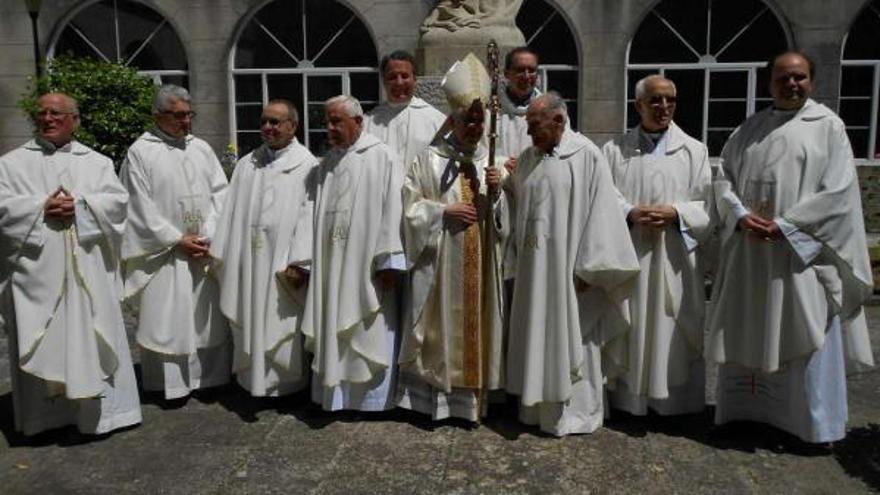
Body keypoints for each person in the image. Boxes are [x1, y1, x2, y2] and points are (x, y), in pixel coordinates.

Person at [708, 51, 874, 443]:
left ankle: (811, 424)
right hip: (752, 253)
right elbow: (722, 179)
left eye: (799, 77)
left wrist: (786, 226)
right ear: (770, 82)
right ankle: (748, 414)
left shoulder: (828, 128)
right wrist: (738, 215)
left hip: (800, 258)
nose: (791, 84)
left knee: (805, 328)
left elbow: (839, 193)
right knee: (749, 325)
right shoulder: (749, 129)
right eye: (783, 77)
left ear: (811, 81)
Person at [0, 93, 142, 435]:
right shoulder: (10, 164)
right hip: (39, 277)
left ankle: (103, 415)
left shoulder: (96, 162)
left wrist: (80, 206)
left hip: (87, 272)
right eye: (42, 114)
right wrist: (39, 207)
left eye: (56, 114)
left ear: (74, 121)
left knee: (93, 331)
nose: (47, 119)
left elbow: (118, 205)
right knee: (44, 333)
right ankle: (45, 419)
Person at [504, 92, 639, 436]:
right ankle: (535, 411)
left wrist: (592, 268)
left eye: (536, 126)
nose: (530, 133)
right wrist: (504, 183)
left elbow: (603, 213)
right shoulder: (528, 159)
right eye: (529, 126)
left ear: (559, 121)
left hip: (572, 274)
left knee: (575, 337)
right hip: (535, 272)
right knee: (538, 330)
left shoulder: (587, 156)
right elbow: (522, 201)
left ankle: (577, 414)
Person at [397, 53, 508, 421]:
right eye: (467, 120)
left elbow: (503, 220)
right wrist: (443, 212)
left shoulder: (490, 161)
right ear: (453, 120)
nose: (474, 127)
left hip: (479, 266)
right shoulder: (427, 160)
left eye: (479, 121)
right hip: (442, 265)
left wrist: (498, 192)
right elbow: (410, 209)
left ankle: (473, 403)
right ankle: (438, 403)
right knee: (439, 329)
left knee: (478, 327)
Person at [601, 75, 712, 416]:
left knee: (672, 322)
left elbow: (707, 203)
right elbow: (605, 196)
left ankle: (673, 405)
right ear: (639, 105)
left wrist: (676, 212)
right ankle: (629, 402)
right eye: (656, 100)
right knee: (631, 321)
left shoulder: (695, 151)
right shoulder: (614, 150)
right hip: (631, 250)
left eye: (670, 100)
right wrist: (629, 212)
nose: (664, 107)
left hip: (674, 256)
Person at [119, 85, 230, 400]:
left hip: (202, 250)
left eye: (189, 114)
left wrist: (207, 233)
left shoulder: (201, 149)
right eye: (179, 115)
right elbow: (136, 205)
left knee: (204, 316)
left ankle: (210, 378)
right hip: (165, 254)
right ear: (158, 116)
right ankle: (172, 384)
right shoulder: (141, 152)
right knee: (168, 317)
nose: (186, 122)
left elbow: (221, 194)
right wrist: (175, 239)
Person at [297, 95, 405, 411]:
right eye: (327, 122)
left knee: (368, 327)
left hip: (366, 264)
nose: (329, 128)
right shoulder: (327, 163)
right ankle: (335, 395)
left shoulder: (382, 157)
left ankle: (370, 401)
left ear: (358, 122)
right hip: (331, 262)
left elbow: (393, 209)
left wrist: (388, 261)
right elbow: (310, 213)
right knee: (333, 322)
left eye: (336, 122)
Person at [210, 100, 317, 397]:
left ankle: (287, 386)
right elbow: (230, 213)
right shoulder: (247, 165)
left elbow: (309, 215)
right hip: (248, 260)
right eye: (264, 122)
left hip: (282, 263)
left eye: (275, 122)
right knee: (248, 314)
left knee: (280, 323)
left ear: (292, 126)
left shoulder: (307, 165)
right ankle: (250, 381)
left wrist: (301, 261)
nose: (268, 128)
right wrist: (225, 253)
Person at [364, 50, 446, 172]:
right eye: (392, 77)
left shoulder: (437, 121)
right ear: (384, 81)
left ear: (414, 79)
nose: (399, 82)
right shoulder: (367, 123)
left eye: (404, 76)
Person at [497, 47, 542, 164]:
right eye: (520, 70)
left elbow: (559, 152)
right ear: (506, 74)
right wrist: (502, 164)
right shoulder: (490, 111)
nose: (526, 76)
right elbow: (477, 152)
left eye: (531, 70)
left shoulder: (549, 110)